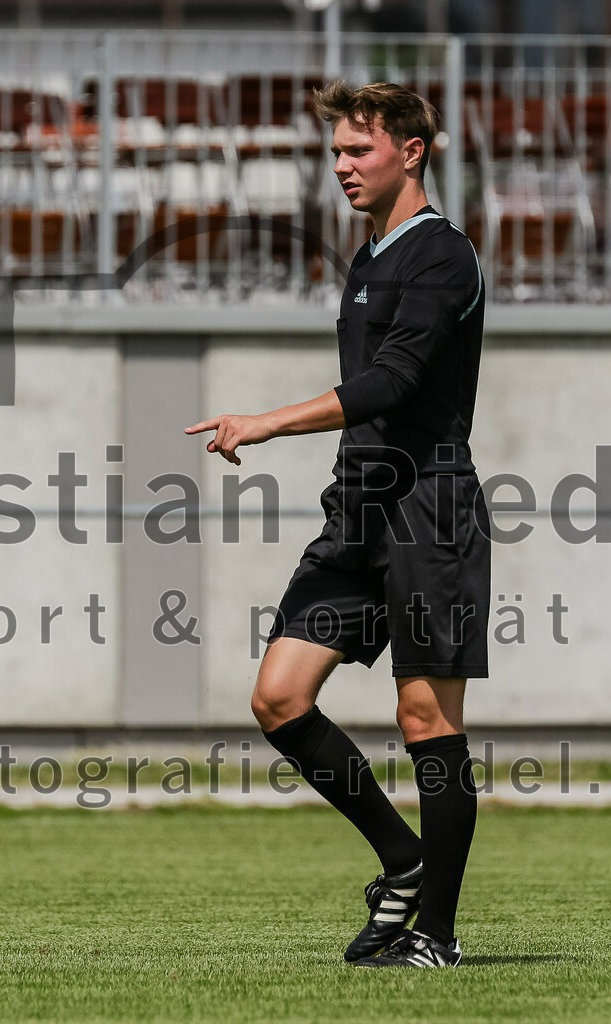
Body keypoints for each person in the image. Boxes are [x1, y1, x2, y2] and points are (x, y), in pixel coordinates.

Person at [185, 80, 490, 969]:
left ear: (411, 150)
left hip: (429, 509)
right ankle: (403, 861)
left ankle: (436, 934)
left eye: (359, 150)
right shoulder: (368, 258)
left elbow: (393, 385)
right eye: (336, 152)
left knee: (425, 717)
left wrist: (267, 421)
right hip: (357, 508)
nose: (342, 166)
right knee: (279, 696)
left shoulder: (443, 256)